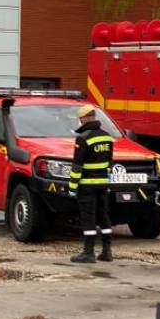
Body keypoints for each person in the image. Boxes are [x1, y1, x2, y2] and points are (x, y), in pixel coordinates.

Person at [68, 104, 115, 263]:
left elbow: (77, 165)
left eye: (81, 119)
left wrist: (72, 186)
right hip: (103, 185)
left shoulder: (83, 138)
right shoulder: (107, 136)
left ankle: (88, 253)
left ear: (85, 118)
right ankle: (107, 251)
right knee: (103, 216)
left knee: (88, 218)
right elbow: (109, 162)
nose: (80, 121)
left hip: (86, 186)